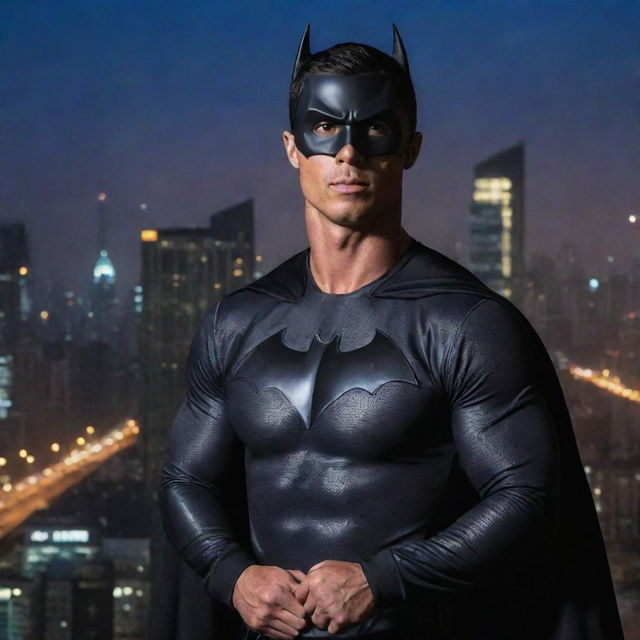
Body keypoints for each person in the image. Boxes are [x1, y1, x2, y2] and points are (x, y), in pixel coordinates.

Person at [158, 24, 624, 640]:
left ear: (411, 148)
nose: (347, 153)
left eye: (374, 128)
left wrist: (385, 578)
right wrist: (232, 575)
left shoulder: (465, 323)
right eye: (323, 128)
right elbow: (185, 479)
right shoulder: (237, 320)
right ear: (293, 147)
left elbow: (528, 498)